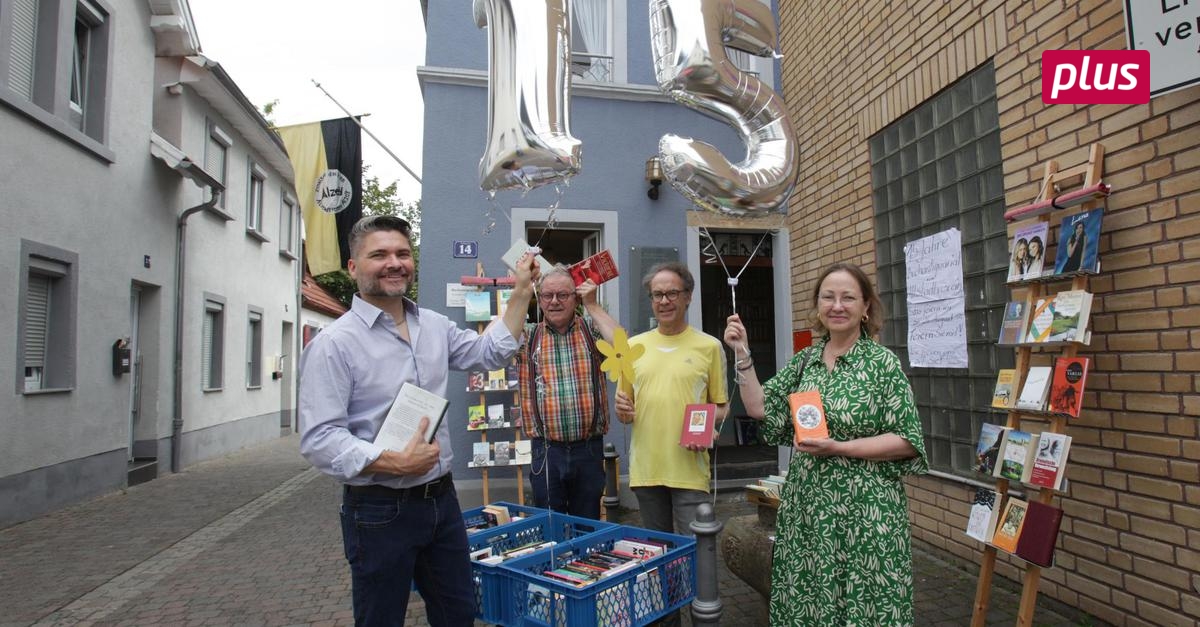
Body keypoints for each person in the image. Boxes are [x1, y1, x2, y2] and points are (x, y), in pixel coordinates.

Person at [298, 215, 537, 626]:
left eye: (403, 253)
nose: (395, 262)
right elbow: (320, 438)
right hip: (378, 511)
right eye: (380, 254)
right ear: (354, 267)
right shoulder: (334, 344)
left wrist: (520, 293)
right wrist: (392, 461)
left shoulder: (433, 326)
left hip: (441, 504)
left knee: (457, 614)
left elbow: (488, 353)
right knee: (381, 619)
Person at [723, 261, 927, 625]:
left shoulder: (882, 364)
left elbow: (907, 439)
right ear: (817, 306)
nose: (837, 305)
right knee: (811, 599)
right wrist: (742, 351)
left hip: (866, 512)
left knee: (865, 603)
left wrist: (840, 447)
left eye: (848, 297)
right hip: (809, 510)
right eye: (828, 297)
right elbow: (758, 407)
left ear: (866, 307)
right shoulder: (805, 363)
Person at [612, 262, 729, 536]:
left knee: (696, 551)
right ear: (651, 300)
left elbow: (722, 406)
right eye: (657, 295)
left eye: (672, 293)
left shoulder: (709, 347)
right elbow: (625, 413)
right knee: (658, 552)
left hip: (690, 469)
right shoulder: (632, 347)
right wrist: (622, 410)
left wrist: (706, 424)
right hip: (646, 471)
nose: (664, 301)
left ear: (688, 296)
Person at [514, 266, 619, 519]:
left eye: (563, 295)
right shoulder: (527, 335)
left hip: (588, 449)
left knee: (587, 522)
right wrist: (521, 293)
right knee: (550, 524)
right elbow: (494, 338)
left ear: (576, 298)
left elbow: (622, 346)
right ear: (539, 298)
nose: (554, 301)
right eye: (547, 295)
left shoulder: (591, 332)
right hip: (546, 450)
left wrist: (593, 306)